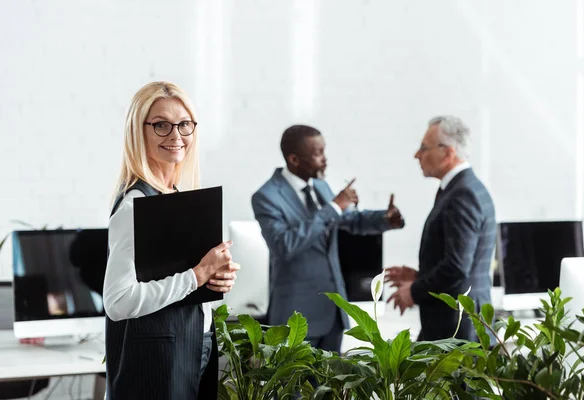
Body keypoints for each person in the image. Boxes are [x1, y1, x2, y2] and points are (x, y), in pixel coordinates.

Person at [103, 81, 239, 399]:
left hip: (193, 345)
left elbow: (172, 278)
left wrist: (215, 278)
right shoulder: (134, 205)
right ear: (139, 131)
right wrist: (197, 275)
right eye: (161, 125)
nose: (176, 136)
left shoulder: (174, 197)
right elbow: (118, 302)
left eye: (184, 124)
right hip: (157, 362)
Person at [252, 124, 405, 353]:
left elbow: (349, 220)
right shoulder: (267, 196)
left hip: (333, 313)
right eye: (317, 153)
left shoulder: (320, 186)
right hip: (296, 317)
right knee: (293, 388)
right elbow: (285, 245)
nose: (325, 159)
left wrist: (385, 219)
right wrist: (334, 206)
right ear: (294, 159)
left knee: (329, 388)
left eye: (324, 151)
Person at [385, 115, 496, 342]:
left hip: (456, 329)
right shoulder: (463, 188)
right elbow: (460, 261)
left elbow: (457, 266)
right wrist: (419, 276)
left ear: (448, 153)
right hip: (456, 322)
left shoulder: (462, 195)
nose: (417, 155)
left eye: (424, 148)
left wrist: (414, 291)